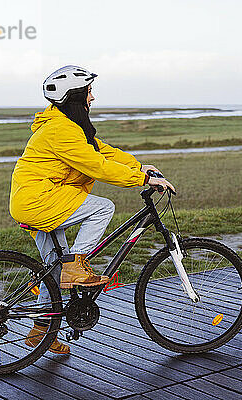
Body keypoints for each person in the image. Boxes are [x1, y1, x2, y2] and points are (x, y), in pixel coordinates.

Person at [9, 65, 175, 354]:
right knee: (102, 208)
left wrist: (138, 166)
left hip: (40, 199)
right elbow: (96, 166)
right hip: (41, 201)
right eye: (89, 92)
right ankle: (77, 267)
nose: (93, 98)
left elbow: (102, 150)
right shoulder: (61, 131)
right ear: (75, 97)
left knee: (53, 272)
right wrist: (144, 180)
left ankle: (40, 333)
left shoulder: (69, 126)